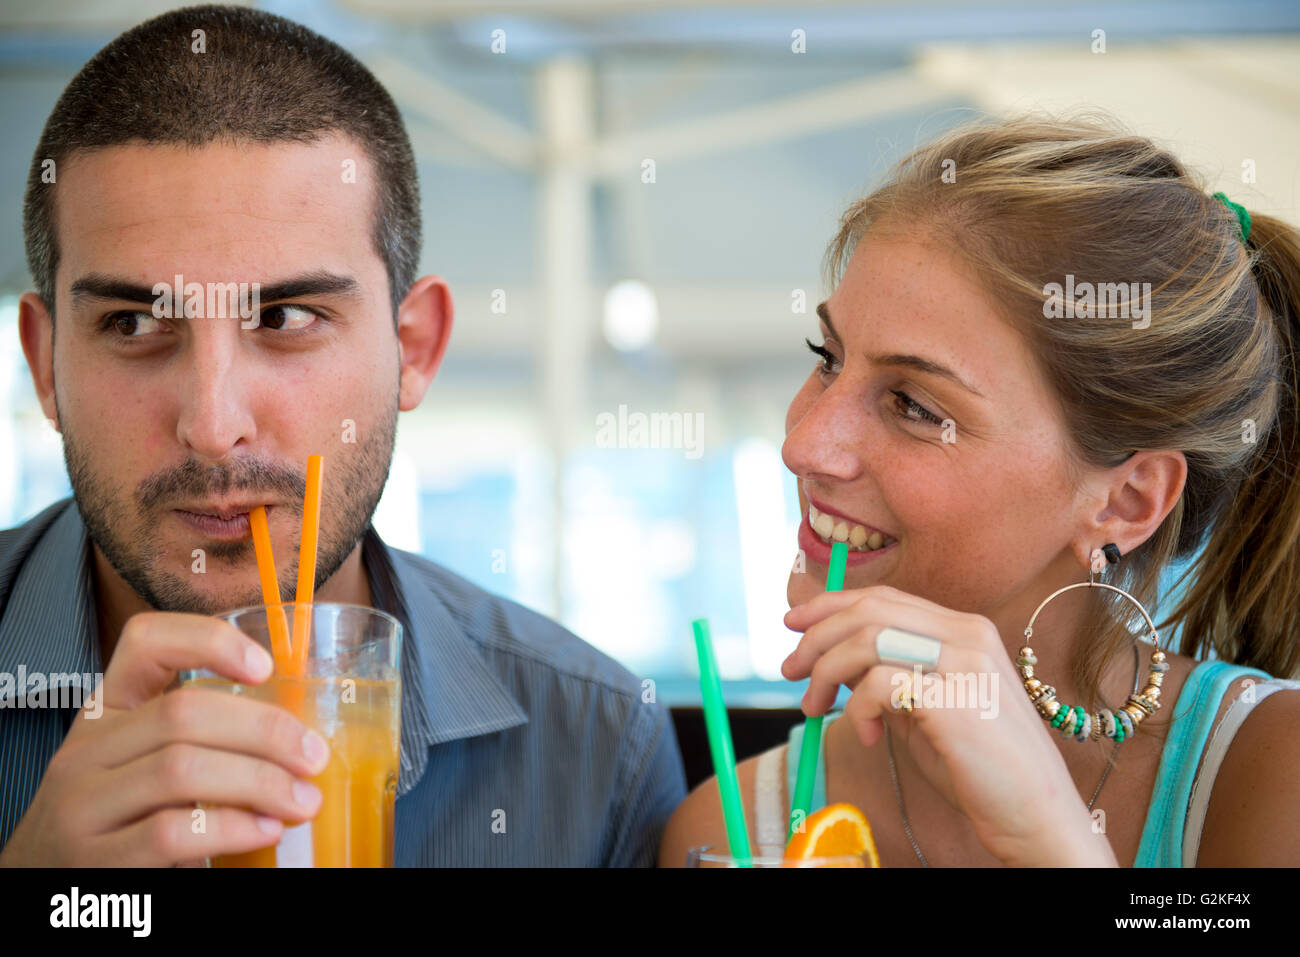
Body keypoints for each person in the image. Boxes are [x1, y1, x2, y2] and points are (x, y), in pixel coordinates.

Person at [0, 4, 684, 867]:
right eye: (135, 324)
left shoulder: (596, 750)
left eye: (286, 316)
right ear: (45, 361)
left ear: (414, 348)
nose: (213, 428)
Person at [661, 114, 1300, 867]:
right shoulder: (732, 827)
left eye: (915, 406)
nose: (804, 444)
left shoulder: (1267, 780)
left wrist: (1051, 836)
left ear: (1126, 500)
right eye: (827, 358)